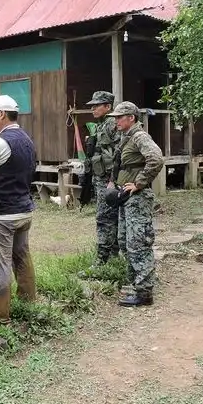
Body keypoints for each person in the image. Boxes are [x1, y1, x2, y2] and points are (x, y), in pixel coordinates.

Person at [0, 95, 37, 327]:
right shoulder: (26, 139)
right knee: (22, 257)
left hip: (1, 214)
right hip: (24, 210)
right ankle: (28, 302)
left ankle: (0, 317)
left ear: (2, 114)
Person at [107, 102, 164, 307]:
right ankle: (134, 283)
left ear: (131, 117)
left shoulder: (140, 136)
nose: (116, 121)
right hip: (125, 197)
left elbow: (156, 158)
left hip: (137, 198)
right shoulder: (126, 137)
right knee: (124, 241)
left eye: (119, 117)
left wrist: (139, 183)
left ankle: (144, 291)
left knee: (138, 243)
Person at [82, 91, 123, 273]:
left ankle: (101, 261)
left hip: (109, 181)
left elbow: (119, 155)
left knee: (104, 219)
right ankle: (114, 255)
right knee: (110, 217)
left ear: (108, 106)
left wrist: (113, 181)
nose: (92, 109)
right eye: (91, 106)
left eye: (96, 105)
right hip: (100, 178)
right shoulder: (100, 126)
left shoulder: (113, 125)